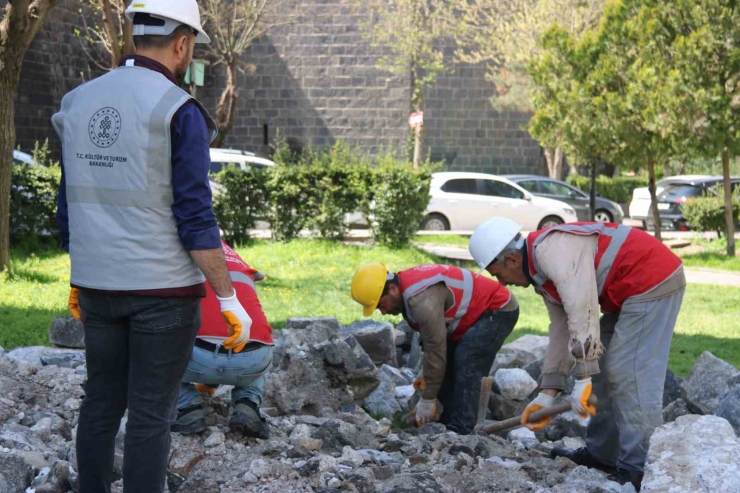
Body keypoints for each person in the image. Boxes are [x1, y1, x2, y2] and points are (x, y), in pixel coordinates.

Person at [53, 2, 252, 492]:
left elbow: (67, 211)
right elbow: (195, 218)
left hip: (98, 289)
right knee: (149, 414)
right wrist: (229, 298)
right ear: (182, 43)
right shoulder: (177, 109)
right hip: (163, 296)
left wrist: (84, 274)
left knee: (100, 402)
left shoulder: (77, 102)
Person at [468, 218, 685, 490]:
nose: (501, 282)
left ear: (511, 260)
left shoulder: (553, 253)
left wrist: (582, 377)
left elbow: (582, 311)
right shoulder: (540, 272)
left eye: (497, 274)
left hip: (652, 281)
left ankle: (640, 468)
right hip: (626, 292)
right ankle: (603, 456)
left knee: (629, 373)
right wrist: (548, 391)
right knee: (604, 370)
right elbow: (562, 328)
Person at [350, 263, 519, 434]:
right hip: (471, 315)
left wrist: (428, 399)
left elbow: (436, 349)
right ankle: (447, 424)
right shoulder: (406, 293)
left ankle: (463, 430)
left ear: (393, 289)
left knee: (467, 360)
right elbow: (433, 340)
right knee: (447, 366)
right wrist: (428, 371)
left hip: (497, 309)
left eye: (381, 304)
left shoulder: (421, 301)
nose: (384, 312)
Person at [172, 241, 274, 439]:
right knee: (258, 339)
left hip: (197, 357)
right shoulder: (236, 259)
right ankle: (247, 405)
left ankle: (187, 409)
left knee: (149, 346)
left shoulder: (178, 253)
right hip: (254, 359)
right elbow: (257, 275)